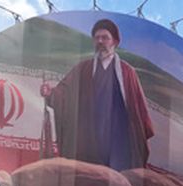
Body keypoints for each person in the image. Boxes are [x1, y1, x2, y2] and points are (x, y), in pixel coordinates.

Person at [40, 19, 154, 171]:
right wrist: (50, 93)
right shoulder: (83, 68)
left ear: (115, 41)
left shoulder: (127, 72)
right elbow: (65, 92)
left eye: (105, 37)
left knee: (119, 181)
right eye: (97, 38)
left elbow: (137, 107)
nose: (100, 41)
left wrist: (140, 130)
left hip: (118, 138)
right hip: (89, 135)